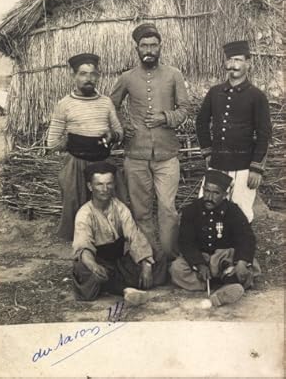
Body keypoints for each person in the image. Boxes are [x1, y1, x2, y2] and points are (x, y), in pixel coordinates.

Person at [110, 23, 188, 259]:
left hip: (167, 155)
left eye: (154, 45)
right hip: (135, 156)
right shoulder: (127, 78)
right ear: (136, 48)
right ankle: (150, 259)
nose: (149, 50)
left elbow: (185, 109)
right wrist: (122, 127)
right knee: (141, 211)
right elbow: (110, 106)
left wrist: (166, 117)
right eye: (144, 45)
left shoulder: (174, 74)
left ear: (160, 47)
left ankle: (169, 257)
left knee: (167, 209)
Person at [47, 53, 126, 242]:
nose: (88, 79)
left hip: (103, 162)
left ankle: (110, 244)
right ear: (74, 76)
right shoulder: (64, 104)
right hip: (77, 165)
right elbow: (52, 142)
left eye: (92, 74)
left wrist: (112, 136)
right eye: (83, 74)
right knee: (76, 205)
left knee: (111, 204)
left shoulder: (105, 102)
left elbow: (119, 132)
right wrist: (74, 143)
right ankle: (81, 250)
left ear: (98, 76)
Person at [196, 40, 272, 223]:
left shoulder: (257, 96)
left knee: (241, 214)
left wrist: (256, 168)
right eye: (230, 61)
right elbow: (201, 122)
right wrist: (207, 151)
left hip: (244, 166)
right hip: (218, 163)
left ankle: (238, 251)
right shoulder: (215, 93)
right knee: (208, 208)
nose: (233, 66)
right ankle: (212, 250)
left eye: (238, 60)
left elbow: (264, 133)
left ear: (248, 63)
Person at [72, 162, 167, 303]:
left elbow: (134, 236)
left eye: (109, 184)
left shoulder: (119, 207)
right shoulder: (84, 214)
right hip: (98, 260)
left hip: (118, 263)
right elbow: (83, 247)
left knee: (158, 255)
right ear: (90, 187)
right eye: (99, 184)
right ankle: (124, 289)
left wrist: (146, 265)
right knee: (84, 269)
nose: (105, 189)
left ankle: (113, 286)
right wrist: (94, 266)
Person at [169, 170, 261, 307]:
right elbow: (185, 242)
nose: (209, 197)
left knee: (250, 266)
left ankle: (226, 281)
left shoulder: (233, 211)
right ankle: (226, 283)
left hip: (224, 259)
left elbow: (246, 238)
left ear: (225, 195)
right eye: (206, 191)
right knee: (176, 269)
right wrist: (199, 263)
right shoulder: (191, 210)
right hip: (202, 259)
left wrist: (241, 262)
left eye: (216, 193)